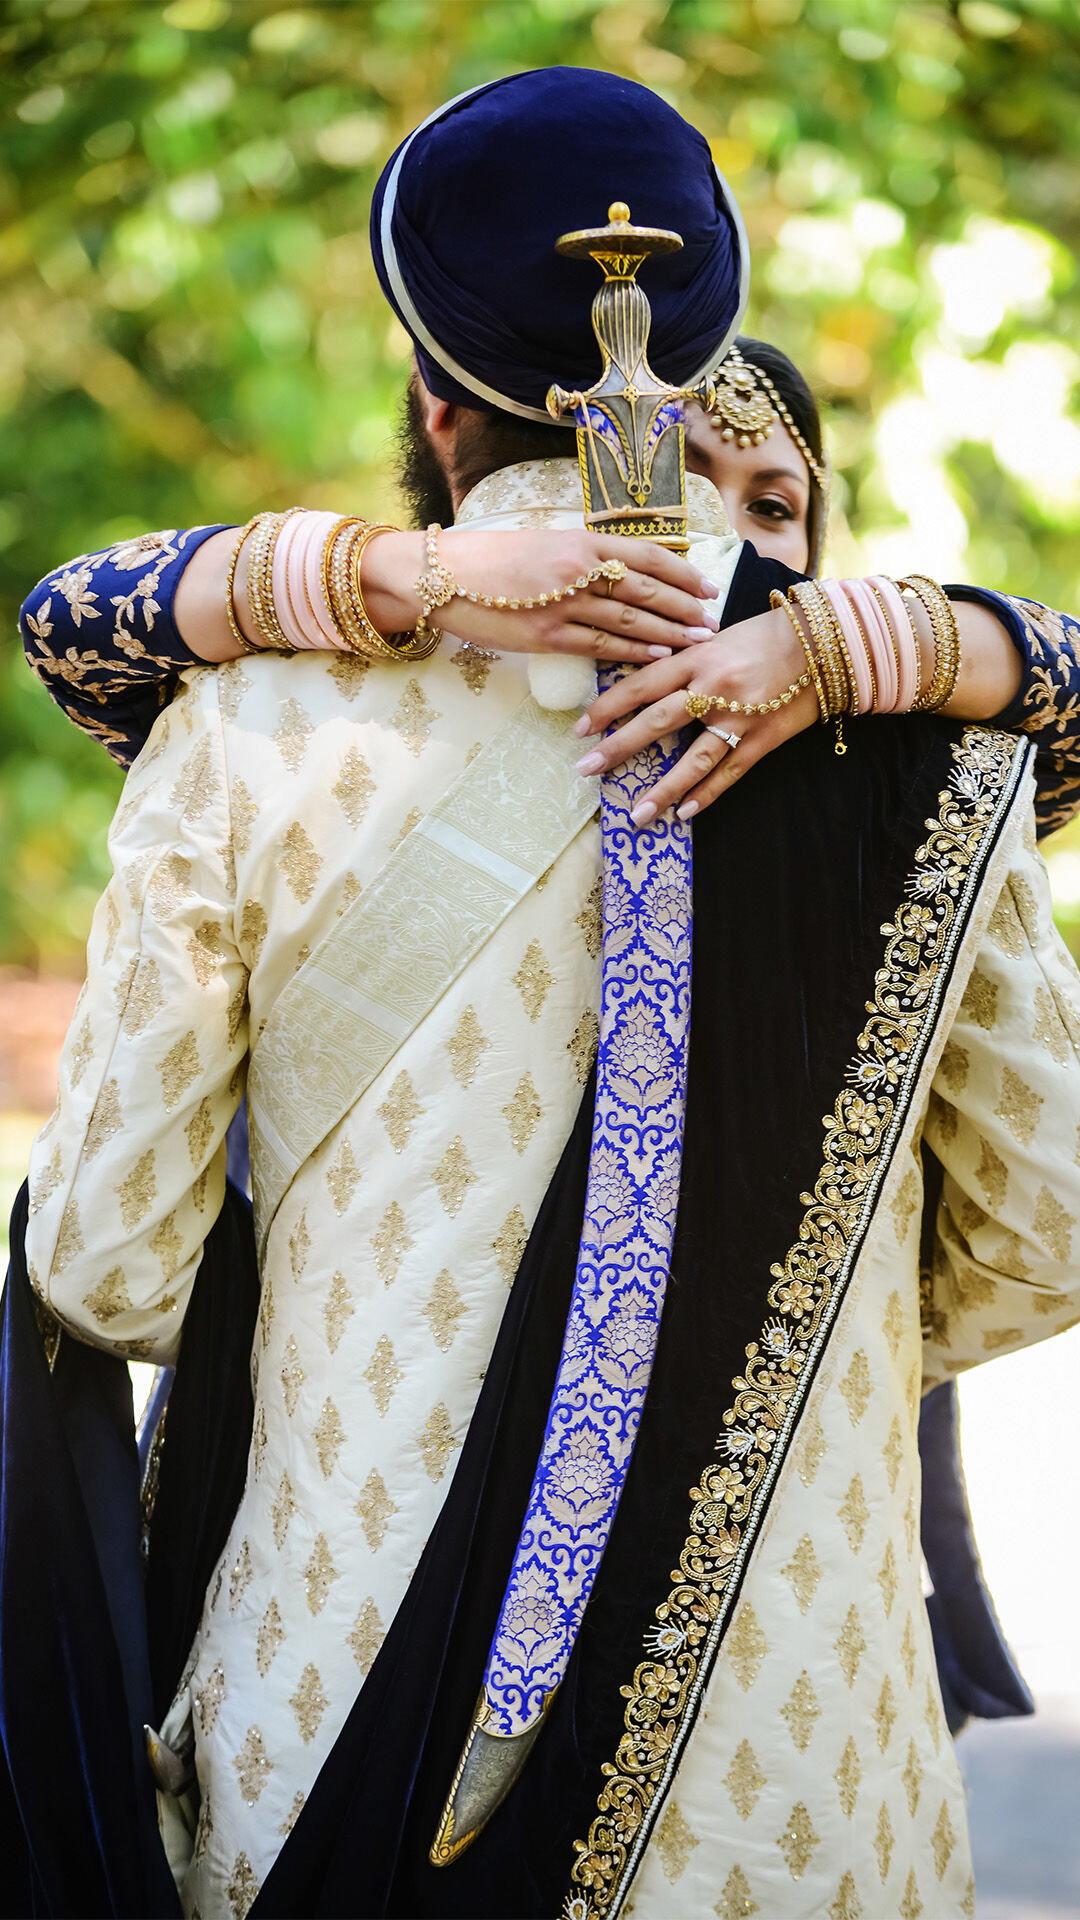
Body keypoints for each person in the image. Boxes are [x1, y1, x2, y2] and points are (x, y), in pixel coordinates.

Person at [13, 68, 1080, 1920]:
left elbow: (107, 1263)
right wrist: (785, 1316)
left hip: (340, 1711)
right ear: (713, 340)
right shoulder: (924, 727)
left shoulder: (244, 722)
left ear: (430, 397)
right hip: (812, 1784)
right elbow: (1049, 1227)